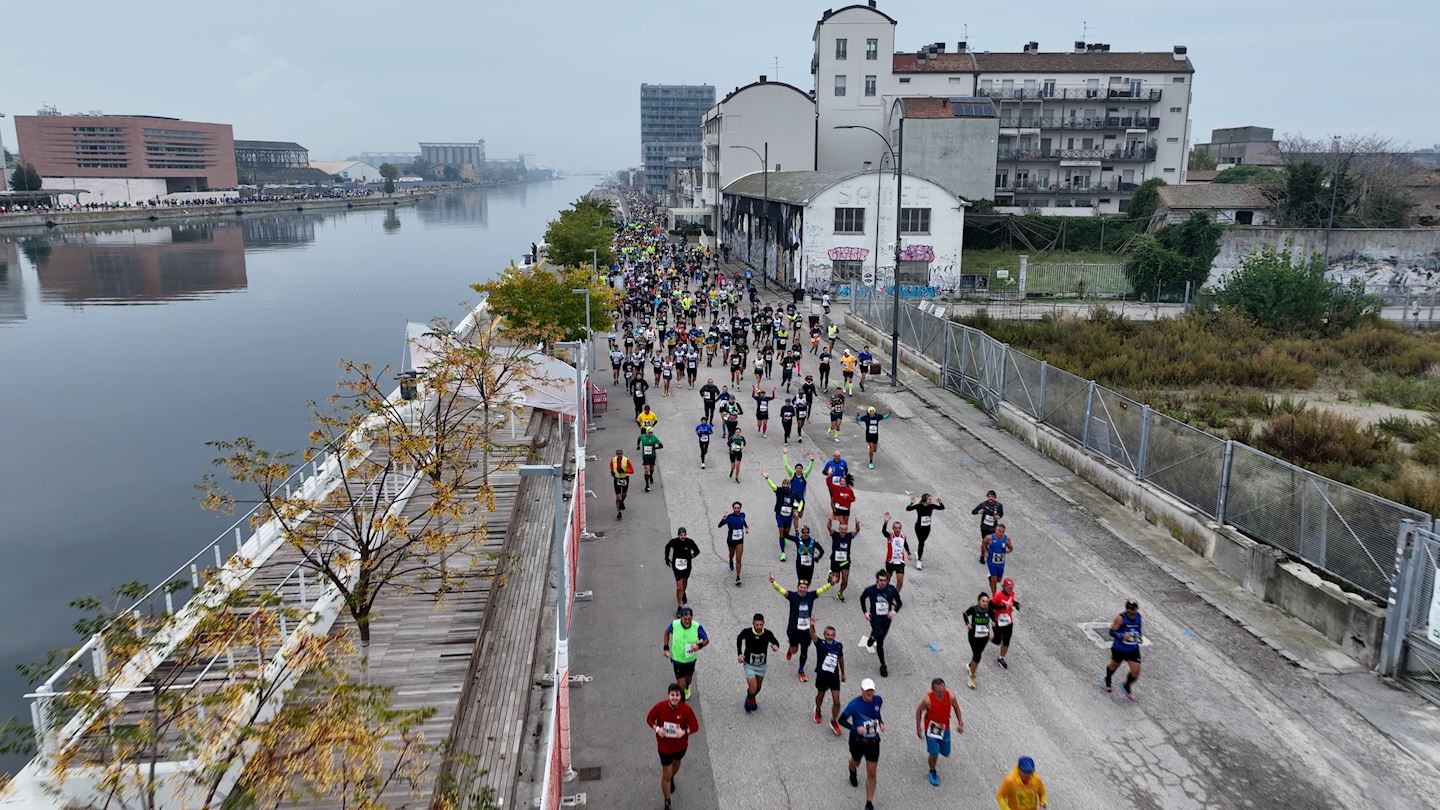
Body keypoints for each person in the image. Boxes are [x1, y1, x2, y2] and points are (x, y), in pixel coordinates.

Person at [768, 573, 835, 681]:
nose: (803, 589)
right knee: (794, 651)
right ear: (798, 587)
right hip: (793, 629)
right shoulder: (792, 596)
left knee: (804, 651)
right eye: (801, 587)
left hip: (806, 631)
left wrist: (831, 583)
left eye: (805, 588)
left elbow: (822, 589)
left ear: (807, 589)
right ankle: (790, 649)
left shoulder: (811, 596)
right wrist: (773, 582)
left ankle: (801, 670)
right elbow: (781, 590)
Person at [646, 683, 700, 810]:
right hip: (664, 748)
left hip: (680, 748)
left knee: (676, 766)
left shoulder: (686, 710)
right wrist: (657, 729)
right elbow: (649, 719)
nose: (674, 697)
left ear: (680, 696)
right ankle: (667, 801)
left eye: (677, 695)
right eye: (672, 695)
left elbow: (695, 726)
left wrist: (684, 732)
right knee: (666, 774)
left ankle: (672, 777)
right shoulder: (660, 707)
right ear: (668, 695)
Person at [839, 678, 885, 810]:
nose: (869, 694)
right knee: (856, 762)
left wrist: (880, 723)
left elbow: (877, 714)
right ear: (862, 691)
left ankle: (869, 803)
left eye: (871, 691)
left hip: (873, 742)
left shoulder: (878, 700)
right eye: (867, 691)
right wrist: (855, 729)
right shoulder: (854, 704)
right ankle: (852, 769)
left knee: (871, 773)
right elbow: (841, 720)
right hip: (857, 741)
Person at [914, 677, 964, 787]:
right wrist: (918, 727)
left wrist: (960, 722)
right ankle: (932, 771)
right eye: (938, 692)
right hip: (931, 728)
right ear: (932, 690)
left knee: (946, 752)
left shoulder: (950, 696)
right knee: (934, 752)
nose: (941, 694)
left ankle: (935, 753)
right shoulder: (928, 700)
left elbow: (956, 707)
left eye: (943, 690)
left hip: (944, 727)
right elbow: (918, 711)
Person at [861, 569, 902, 678]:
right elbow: (862, 598)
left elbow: (899, 603)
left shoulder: (891, 590)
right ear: (877, 580)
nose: (883, 582)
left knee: (880, 636)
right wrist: (865, 612)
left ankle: (872, 636)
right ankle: (883, 665)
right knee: (880, 642)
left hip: (886, 619)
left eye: (885, 580)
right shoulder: (870, 590)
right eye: (881, 580)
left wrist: (894, 610)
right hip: (875, 618)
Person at [735, 614, 781, 713]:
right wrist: (739, 653)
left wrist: (776, 646)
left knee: (758, 687)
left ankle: (752, 697)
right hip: (749, 665)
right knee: (753, 687)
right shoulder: (747, 632)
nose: (759, 627)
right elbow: (739, 638)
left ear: (763, 624)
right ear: (753, 624)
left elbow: (776, 642)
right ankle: (749, 698)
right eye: (757, 625)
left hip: (761, 665)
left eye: (761, 624)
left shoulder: (768, 633)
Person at [664, 608, 710, 700]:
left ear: (692, 617)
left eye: (689, 619)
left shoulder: (697, 626)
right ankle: (681, 703)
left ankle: (687, 686)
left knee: (688, 679)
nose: (687, 621)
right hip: (677, 659)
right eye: (685, 619)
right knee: (681, 684)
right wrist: (666, 647)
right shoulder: (675, 624)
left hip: (690, 659)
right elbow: (666, 632)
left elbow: (706, 640)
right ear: (681, 617)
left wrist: (699, 645)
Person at [1104, 600, 1144, 700]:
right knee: (1114, 666)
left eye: (1133, 609)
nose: (1131, 611)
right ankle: (1108, 679)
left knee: (1136, 672)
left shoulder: (1138, 616)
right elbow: (1111, 632)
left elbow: (1139, 628)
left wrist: (1139, 637)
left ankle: (1126, 686)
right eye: (1129, 609)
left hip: (1133, 649)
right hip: (1120, 649)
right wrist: (1122, 636)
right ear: (1126, 608)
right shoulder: (1120, 618)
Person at [813, 625, 847, 734]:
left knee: (837, 701)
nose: (830, 637)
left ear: (835, 636)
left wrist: (843, 673)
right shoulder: (820, 644)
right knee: (820, 696)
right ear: (824, 635)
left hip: (833, 676)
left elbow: (840, 658)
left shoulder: (838, 646)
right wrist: (812, 625)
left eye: (832, 635)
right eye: (828, 635)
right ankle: (818, 710)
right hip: (822, 676)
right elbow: (812, 634)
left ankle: (833, 721)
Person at [761, 470, 798, 559]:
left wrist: (796, 511)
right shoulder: (779, 491)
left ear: (788, 486)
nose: (784, 487)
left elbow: (798, 503)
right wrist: (767, 478)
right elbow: (772, 485)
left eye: (786, 486)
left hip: (788, 516)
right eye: (783, 485)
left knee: (786, 532)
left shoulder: (793, 493)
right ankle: (782, 553)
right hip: (780, 515)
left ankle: (785, 537)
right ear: (782, 485)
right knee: (781, 530)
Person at [962, 592, 996, 690]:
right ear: (979, 601)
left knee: (977, 653)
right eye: (983, 601)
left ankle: (970, 665)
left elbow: (994, 618)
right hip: (973, 636)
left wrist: (994, 622)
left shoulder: (990, 610)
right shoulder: (973, 609)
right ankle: (972, 678)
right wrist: (967, 623)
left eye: (987, 601)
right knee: (977, 655)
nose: (985, 603)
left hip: (984, 637)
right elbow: (964, 614)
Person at [904, 493, 945, 570]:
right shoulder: (919, 506)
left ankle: (918, 553)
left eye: (931, 499)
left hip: (927, 528)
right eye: (929, 499)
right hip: (919, 527)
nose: (931, 500)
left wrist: (940, 502)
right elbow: (908, 509)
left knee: (922, 542)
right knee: (922, 542)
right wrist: (911, 503)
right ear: (925, 500)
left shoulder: (931, 506)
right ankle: (919, 561)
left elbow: (942, 508)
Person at [664, 528, 701, 613]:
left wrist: (690, 557)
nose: (683, 537)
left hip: (687, 566)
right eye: (681, 535)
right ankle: (680, 606)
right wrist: (666, 558)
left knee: (684, 582)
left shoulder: (690, 542)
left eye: (684, 535)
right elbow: (667, 546)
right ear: (678, 535)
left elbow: (697, 551)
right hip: (676, 566)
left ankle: (683, 593)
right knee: (679, 586)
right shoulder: (674, 542)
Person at [991, 577, 1020, 669]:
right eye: (1010, 587)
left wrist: (1016, 604)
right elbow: (990, 606)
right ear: (1004, 587)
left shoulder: (1012, 593)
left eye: (1012, 586)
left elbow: (1011, 601)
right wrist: (1003, 607)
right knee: (997, 641)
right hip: (998, 622)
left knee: (1007, 641)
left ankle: (1001, 658)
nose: (1012, 589)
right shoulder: (998, 596)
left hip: (1008, 622)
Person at [827, 515, 858, 601]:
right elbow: (829, 527)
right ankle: (831, 574)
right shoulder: (835, 534)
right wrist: (830, 521)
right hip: (835, 561)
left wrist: (857, 524)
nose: (843, 531)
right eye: (842, 529)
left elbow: (857, 531)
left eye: (845, 529)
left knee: (845, 580)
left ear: (846, 530)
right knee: (835, 581)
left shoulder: (849, 536)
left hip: (845, 561)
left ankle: (840, 592)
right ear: (839, 529)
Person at [717, 501, 748, 586]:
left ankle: (738, 577)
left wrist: (746, 527)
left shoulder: (743, 515)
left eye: (738, 508)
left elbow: (743, 521)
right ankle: (730, 560)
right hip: (731, 540)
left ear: (740, 508)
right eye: (735, 508)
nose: (737, 509)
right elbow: (719, 526)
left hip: (740, 541)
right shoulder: (729, 517)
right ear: (733, 508)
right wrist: (723, 519)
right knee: (731, 554)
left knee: (739, 559)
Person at [781, 448, 815, 521]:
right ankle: (795, 529)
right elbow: (786, 465)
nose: (798, 469)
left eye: (800, 468)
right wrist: (785, 454)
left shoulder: (805, 475)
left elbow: (810, 468)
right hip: (792, 498)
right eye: (797, 468)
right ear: (795, 469)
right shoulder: (792, 474)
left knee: (800, 516)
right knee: (795, 515)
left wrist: (812, 461)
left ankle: (794, 517)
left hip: (801, 500)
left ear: (802, 469)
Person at [972, 490, 1004, 564]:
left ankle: (991, 556)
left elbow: (1001, 514)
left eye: (992, 497)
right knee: (985, 542)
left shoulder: (999, 505)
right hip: (984, 528)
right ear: (987, 497)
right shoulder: (983, 504)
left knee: (993, 543)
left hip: (993, 528)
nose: (991, 498)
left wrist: (998, 517)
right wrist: (978, 512)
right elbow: (973, 511)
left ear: (995, 498)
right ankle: (982, 556)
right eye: (989, 496)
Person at [880, 511, 909, 592]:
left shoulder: (903, 536)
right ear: (893, 529)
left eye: (899, 528)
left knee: (900, 582)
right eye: (895, 528)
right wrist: (885, 522)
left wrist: (909, 553)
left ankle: (895, 595)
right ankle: (884, 593)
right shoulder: (890, 536)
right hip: (890, 562)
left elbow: (905, 544)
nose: (897, 529)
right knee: (887, 580)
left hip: (900, 562)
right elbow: (883, 532)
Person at [986, 524, 1014, 594]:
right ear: (996, 530)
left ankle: (990, 578)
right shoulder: (989, 538)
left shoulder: (1007, 539)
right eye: (1000, 531)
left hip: (1001, 563)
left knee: (998, 580)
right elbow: (984, 544)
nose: (1001, 534)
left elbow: (1011, 548)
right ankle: (994, 596)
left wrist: (1009, 550)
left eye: (1003, 532)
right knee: (994, 580)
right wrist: (985, 552)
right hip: (991, 561)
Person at [637, 427, 664, 492]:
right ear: (646, 432)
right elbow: (638, 439)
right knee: (646, 470)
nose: (650, 434)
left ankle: (651, 475)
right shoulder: (642, 437)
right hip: (645, 456)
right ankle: (647, 485)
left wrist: (654, 448)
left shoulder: (654, 437)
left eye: (651, 432)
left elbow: (661, 446)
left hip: (652, 456)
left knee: (651, 469)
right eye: (649, 432)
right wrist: (638, 446)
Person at [610, 449, 634, 519]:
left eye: (621, 454)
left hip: (624, 478)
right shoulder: (613, 460)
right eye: (618, 454)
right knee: (618, 496)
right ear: (616, 454)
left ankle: (621, 502)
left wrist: (624, 471)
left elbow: (632, 471)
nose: (619, 455)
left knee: (624, 494)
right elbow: (611, 466)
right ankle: (619, 512)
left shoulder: (626, 460)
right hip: (617, 478)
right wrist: (612, 472)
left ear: (622, 454)